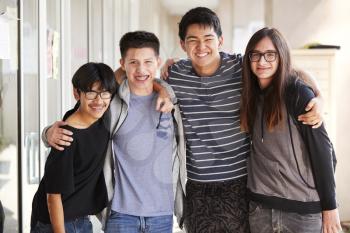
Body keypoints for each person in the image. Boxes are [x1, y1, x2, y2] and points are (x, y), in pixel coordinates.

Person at [161, 7, 324, 233]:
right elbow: (133, 75)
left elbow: (286, 71)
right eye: (193, 40)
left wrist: (318, 96)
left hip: (239, 184)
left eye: (208, 38)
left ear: (220, 40)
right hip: (199, 187)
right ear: (182, 44)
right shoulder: (175, 73)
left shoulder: (240, 67)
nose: (201, 47)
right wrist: (161, 83)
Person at [44, 31, 186, 233]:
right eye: (133, 62)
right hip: (121, 214)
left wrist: (163, 89)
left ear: (158, 62)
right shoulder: (111, 104)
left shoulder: (172, 103)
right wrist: (48, 133)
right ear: (123, 63)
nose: (141, 69)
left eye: (148, 62)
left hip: (162, 215)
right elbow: (76, 122)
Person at [240, 27, 341, 233]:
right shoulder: (248, 93)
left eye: (270, 55)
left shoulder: (297, 94)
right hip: (260, 208)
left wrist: (330, 206)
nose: (262, 62)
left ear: (281, 57)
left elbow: (323, 152)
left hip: (301, 211)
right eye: (256, 55)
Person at [30, 62, 117, 233]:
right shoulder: (66, 137)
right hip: (55, 222)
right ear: (77, 93)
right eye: (91, 93)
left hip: (81, 219)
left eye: (105, 93)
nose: (99, 100)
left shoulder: (102, 118)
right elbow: (53, 196)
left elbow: (133, 74)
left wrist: (162, 88)